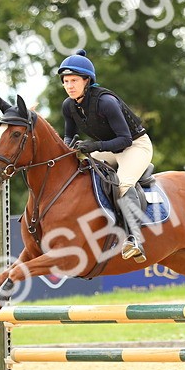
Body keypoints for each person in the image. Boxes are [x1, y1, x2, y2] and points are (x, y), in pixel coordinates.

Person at [56, 49, 154, 261]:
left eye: (74, 80)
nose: (69, 86)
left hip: (134, 146)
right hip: (107, 147)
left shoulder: (105, 102)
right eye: (66, 81)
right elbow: (69, 136)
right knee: (79, 171)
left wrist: (94, 146)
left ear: (86, 80)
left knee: (123, 184)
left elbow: (125, 140)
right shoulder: (69, 106)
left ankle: (134, 239)